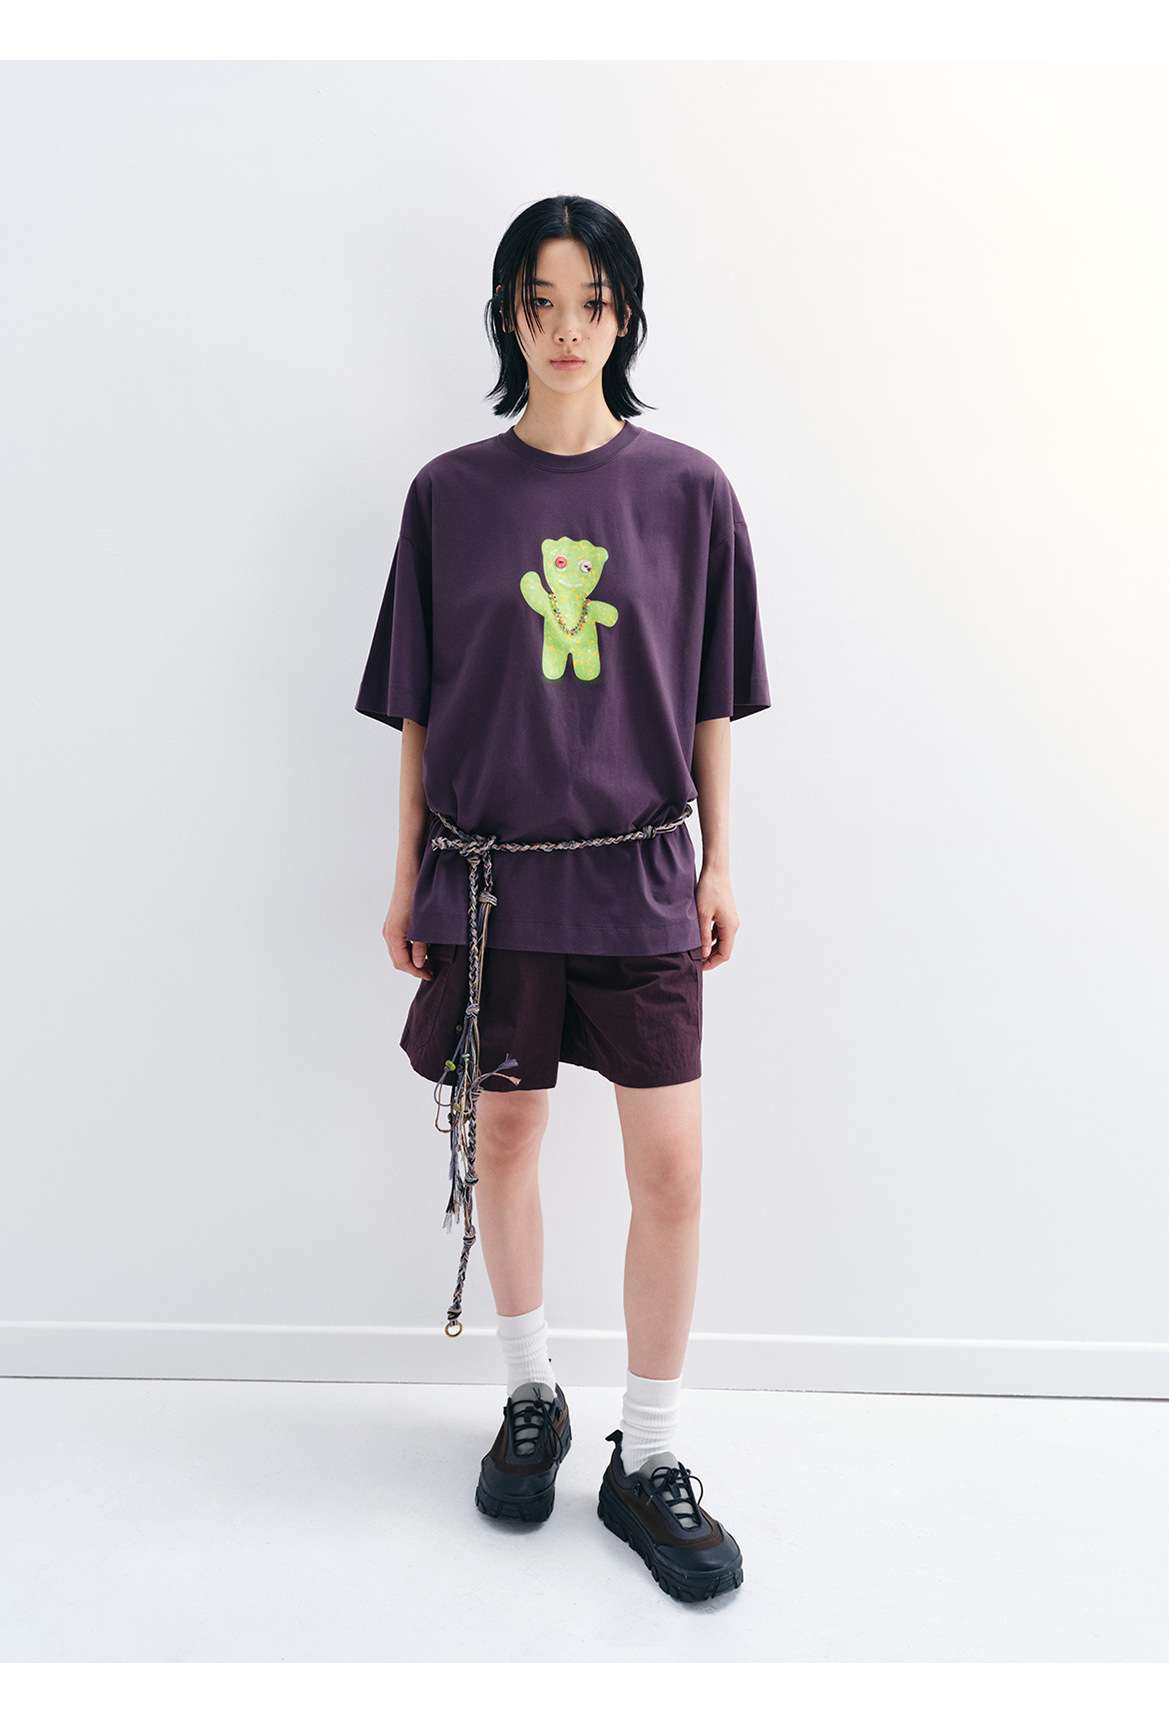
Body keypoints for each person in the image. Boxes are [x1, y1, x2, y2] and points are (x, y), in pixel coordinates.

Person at [355, 194, 770, 1603]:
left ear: (625, 316)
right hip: (490, 886)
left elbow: (712, 699)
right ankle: (530, 1393)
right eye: (542, 304)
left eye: (593, 303)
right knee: (509, 1140)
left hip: (642, 870)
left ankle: (646, 1455)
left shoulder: (690, 493)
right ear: (508, 320)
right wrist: (404, 876)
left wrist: (720, 859)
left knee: (673, 1172)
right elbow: (418, 711)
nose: (568, 330)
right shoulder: (448, 497)